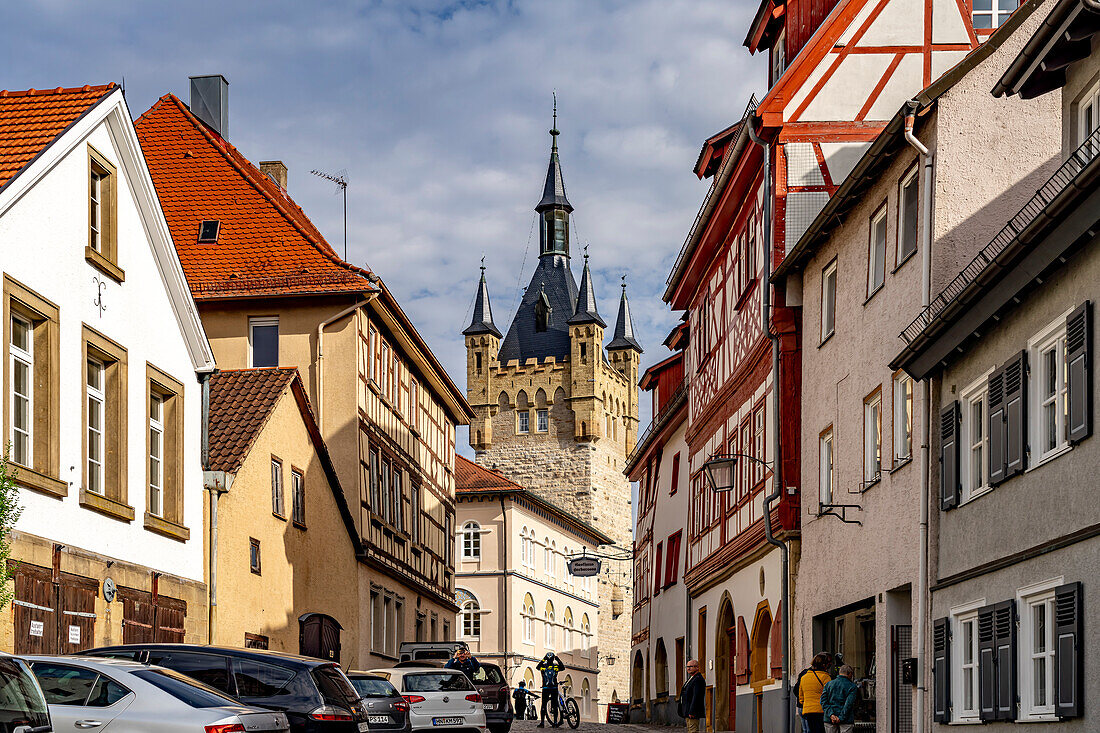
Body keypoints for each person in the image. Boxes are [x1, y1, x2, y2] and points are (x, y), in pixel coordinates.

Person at [795, 653, 832, 733]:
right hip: (821, 711)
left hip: (808, 711)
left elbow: (801, 697)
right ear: (824, 665)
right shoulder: (826, 677)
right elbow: (830, 694)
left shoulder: (804, 677)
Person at [821, 665, 859, 733]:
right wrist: (840, 718)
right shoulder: (852, 686)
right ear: (849, 674)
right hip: (846, 720)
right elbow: (848, 704)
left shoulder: (828, 684)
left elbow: (823, 701)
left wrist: (831, 715)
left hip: (829, 719)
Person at [536, 652, 564, 728]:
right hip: (554, 688)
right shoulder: (556, 667)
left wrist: (543, 659)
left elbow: (537, 667)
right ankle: (555, 722)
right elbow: (562, 667)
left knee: (543, 705)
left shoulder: (543, 667)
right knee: (555, 706)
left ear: (546, 659)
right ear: (553, 659)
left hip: (545, 688)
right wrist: (558, 660)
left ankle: (542, 723)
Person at [677, 659, 706, 733]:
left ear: (697, 668)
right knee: (690, 730)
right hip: (687, 710)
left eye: (691, 666)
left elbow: (696, 697)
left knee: (693, 731)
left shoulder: (698, 679)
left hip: (692, 711)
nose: (688, 668)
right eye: (687, 667)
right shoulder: (691, 678)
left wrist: (692, 711)